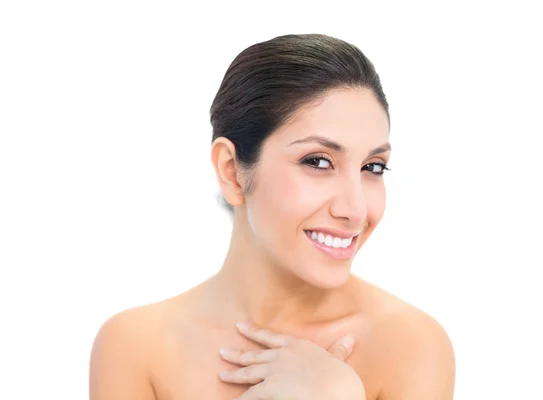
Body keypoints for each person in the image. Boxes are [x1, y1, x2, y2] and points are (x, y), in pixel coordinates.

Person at [89, 33, 456, 400]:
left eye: (372, 167)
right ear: (232, 170)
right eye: (318, 161)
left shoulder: (411, 346)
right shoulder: (136, 348)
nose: (356, 210)